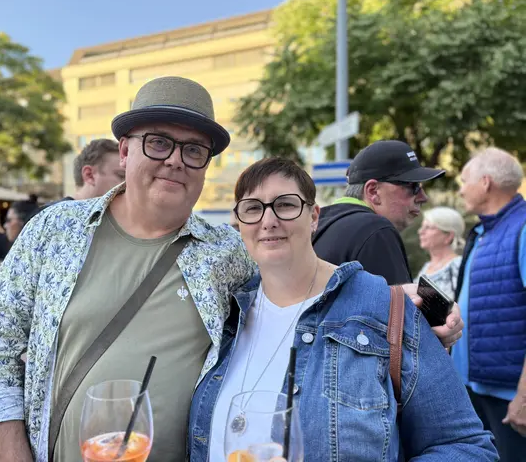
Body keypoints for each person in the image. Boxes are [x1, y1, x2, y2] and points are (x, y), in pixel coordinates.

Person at [0, 76, 462, 462]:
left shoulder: (226, 250)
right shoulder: (55, 230)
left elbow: (300, 287)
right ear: (125, 150)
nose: (175, 161)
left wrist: (396, 305)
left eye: (194, 150)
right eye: (158, 142)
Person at [189, 157, 497, 461]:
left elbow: (466, 446)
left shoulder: (384, 310)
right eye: (253, 208)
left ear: (314, 217)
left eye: (285, 205)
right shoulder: (223, 312)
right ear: (239, 222)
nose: (268, 220)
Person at [453, 147, 526, 460]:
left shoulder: (522, 229)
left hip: (511, 399)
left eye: (464, 180)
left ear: (485, 182)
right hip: (477, 390)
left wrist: (524, 396)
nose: (460, 189)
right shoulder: (485, 231)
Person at [313, 140, 445, 285]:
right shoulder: (376, 229)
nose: (423, 197)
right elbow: (401, 299)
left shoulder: (319, 223)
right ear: (373, 191)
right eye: (412, 186)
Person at [415, 206, 466, 300]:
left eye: (428, 227)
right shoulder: (426, 267)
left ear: (449, 236)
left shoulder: (458, 265)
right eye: (422, 227)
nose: (420, 231)